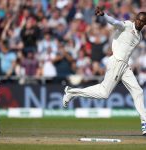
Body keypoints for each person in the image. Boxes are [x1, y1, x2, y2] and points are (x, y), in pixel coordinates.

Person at [62, 7, 146, 136]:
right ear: (136, 19)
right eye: (139, 20)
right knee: (104, 93)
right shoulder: (128, 25)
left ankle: (144, 124)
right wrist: (104, 15)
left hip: (125, 66)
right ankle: (71, 92)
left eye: (143, 22)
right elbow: (115, 22)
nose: (140, 23)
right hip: (116, 62)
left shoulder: (139, 36)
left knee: (138, 91)